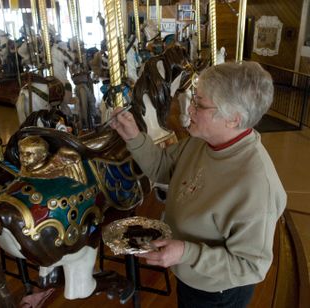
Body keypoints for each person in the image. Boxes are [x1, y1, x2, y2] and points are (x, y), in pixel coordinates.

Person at [110, 61, 286, 307]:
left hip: (217, 291)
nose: (189, 109)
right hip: (189, 271)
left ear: (233, 119)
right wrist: (133, 136)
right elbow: (162, 168)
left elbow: (251, 266)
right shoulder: (202, 141)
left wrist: (186, 252)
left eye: (199, 104)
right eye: (194, 98)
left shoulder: (255, 185)